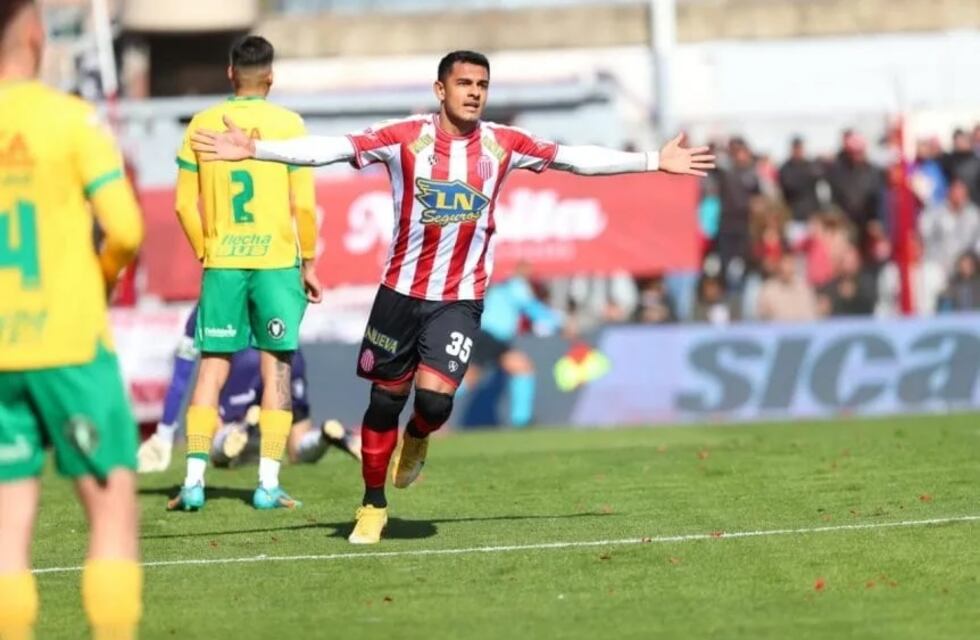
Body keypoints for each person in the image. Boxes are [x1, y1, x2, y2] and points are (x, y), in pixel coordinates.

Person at [191, 50, 714, 544]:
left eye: (482, 85)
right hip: (399, 293)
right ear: (440, 89)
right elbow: (332, 148)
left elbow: (573, 159)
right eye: (464, 83)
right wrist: (258, 150)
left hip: (459, 298)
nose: (474, 93)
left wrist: (652, 159)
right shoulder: (404, 138)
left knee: (435, 401)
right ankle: (373, 503)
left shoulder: (502, 143)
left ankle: (419, 434)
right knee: (382, 402)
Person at [0, 2, 144, 638]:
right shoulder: (70, 120)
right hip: (70, 345)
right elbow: (127, 229)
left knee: (7, 531)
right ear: (34, 33)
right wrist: (103, 276)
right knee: (110, 515)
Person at [167, 36, 322, 512]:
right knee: (277, 369)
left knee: (212, 367)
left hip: (224, 262)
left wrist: (205, 251)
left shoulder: (202, 123)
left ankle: (193, 483)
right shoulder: (290, 125)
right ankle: (267, 485)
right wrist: (310, 261)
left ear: (230, 74)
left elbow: (181, 204)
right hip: (276, 264)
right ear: (270, 77)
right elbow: (305, 205)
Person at [138, 306, 359, 473]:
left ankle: (243, 426)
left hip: (243, 360)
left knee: (215, 439)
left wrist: (164, 433)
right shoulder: (270, 278)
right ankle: (323, 436)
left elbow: (181, 372)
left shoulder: (215, 291)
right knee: (296, 447)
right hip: (288, 351)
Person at [465, 261, 563, 428]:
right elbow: (533, 309)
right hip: (489, 336)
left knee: (523, 368)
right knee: (469, 379)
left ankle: (521, 419)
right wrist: (560, 322)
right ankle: (430, 409)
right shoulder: (517, 286)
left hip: (493, 338)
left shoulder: (504, 287)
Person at [917, 179, 980, 278]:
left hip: (964, 269)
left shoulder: (974, 215)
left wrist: (972, 260)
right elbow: (921, 235)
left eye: (962, 191)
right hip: (936, 267)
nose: (958, 195)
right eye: (956, 191)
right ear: (949, 191)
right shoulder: (934, 212)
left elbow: (977, 244)